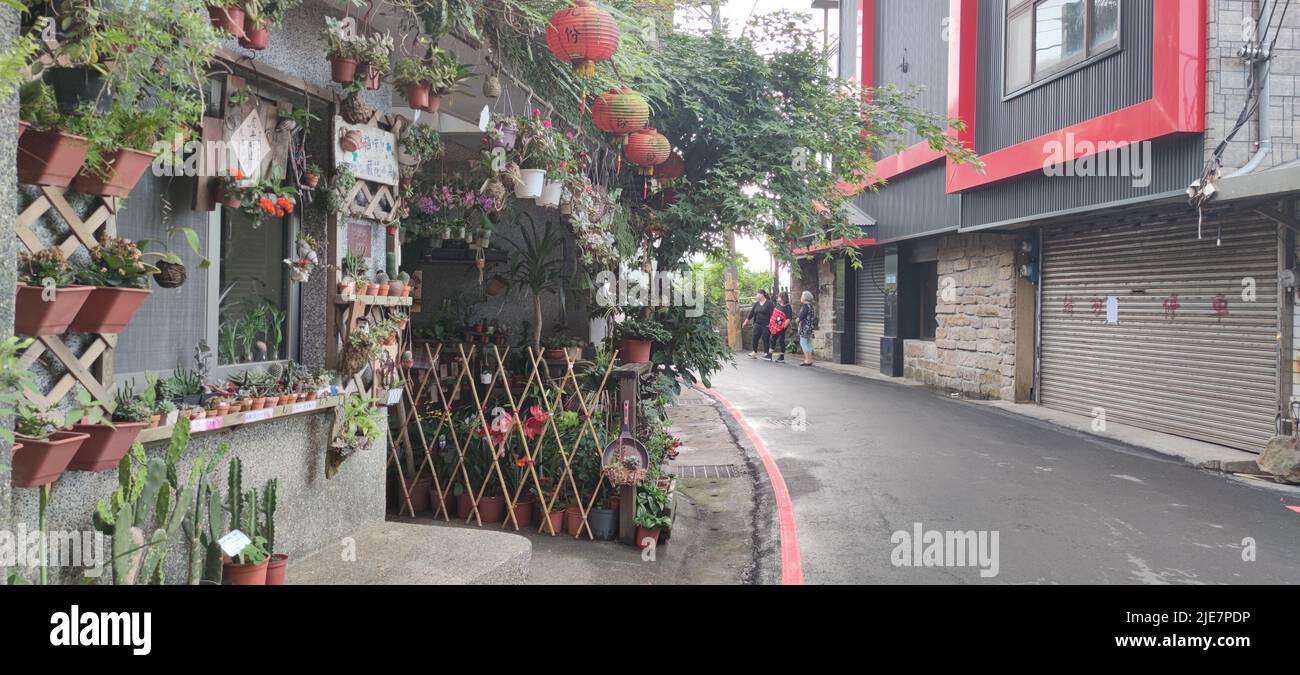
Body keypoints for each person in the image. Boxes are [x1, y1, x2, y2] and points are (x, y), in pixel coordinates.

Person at [743, 290, 773, 359]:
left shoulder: (769, 303)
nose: (757, 296)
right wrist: (746, 321)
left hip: (766, 324)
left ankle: (766, 353)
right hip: (757, 323)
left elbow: (772, 314)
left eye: (758, 294)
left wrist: (771, 323)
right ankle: (754, 352)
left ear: (762, 295)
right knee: (754, 337)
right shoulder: (756, 304)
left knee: (765, 338)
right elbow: (751, 313)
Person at [769, 291, 794, 363]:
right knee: (772, 338)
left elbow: (789, 318)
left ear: (783, 297)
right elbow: (774, 313)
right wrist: (772, 321)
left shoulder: (787, 307)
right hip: (774, 326)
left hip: (781, 326)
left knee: (781, 340)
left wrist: (783, 326)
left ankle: (782, 356)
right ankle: (770, 353)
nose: (778, 297)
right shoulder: (778, 305)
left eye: (779, 296)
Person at [797, 290, 815, 366]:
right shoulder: (811, 306)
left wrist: (797, 320)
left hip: (804, 327)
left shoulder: (805, 306)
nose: (801, 298)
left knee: (803, 343)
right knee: (808, 343)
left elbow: (801, 316)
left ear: (805, 298)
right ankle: (810, 359)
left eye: (802, 296)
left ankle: (807, 360)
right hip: (810, 327)